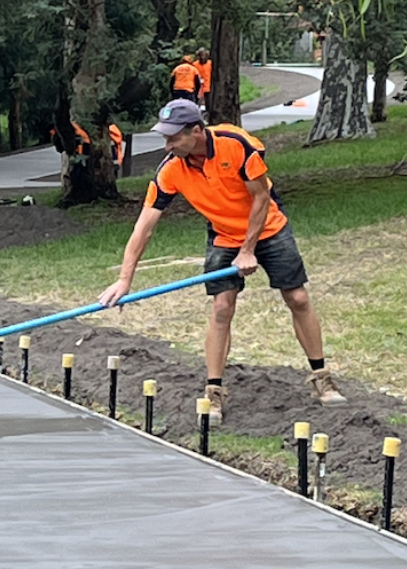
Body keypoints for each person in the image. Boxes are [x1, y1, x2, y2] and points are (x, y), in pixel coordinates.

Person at [99, 99, 345, 425]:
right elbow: (144, 227)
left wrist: (249, 250)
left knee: (297, 297)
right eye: (165, 138)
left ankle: (321, 377)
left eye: (174, 138)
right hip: (223, 235)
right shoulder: (171, 169)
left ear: (197, 131)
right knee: (221, 307)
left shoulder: (237, 145)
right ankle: (214, 391)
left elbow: (260, 197)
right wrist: (125, 279)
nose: (168, 145)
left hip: (269, 227)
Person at [195, 48, 212, 112]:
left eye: (204, 55)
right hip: (199, 88)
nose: (202, 57)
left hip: (209, 86)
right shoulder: (195, 65)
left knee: (208, 103)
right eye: (200, 55)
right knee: (198, 102)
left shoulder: (210, 64)